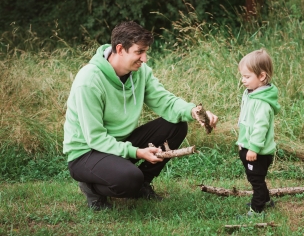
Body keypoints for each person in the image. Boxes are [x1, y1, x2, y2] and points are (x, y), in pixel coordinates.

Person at [63, 21, 218, 210]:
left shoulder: (140, 72)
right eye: (139, 52)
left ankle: (141, 184)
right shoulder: (89, 80)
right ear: (120, 49)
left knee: (176, 125)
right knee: (129, 179)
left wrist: (194, 111)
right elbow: (95, 137)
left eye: (145, 52)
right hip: (87, 152)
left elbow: (164, 100)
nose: (145, 58)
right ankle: (92, 187)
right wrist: (136, 152)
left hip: (118, 143)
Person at [236, 49, 281, 216]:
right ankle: (266, 199)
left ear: (261, 76)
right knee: (255, 177)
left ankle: (257, 208)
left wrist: (253, 148)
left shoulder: (262, 103)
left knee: (256, 180)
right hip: (248, 146)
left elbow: (260, 127)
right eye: (242, 76)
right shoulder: (252, 94)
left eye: (247, 77)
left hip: (258, 151)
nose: (243, 80)